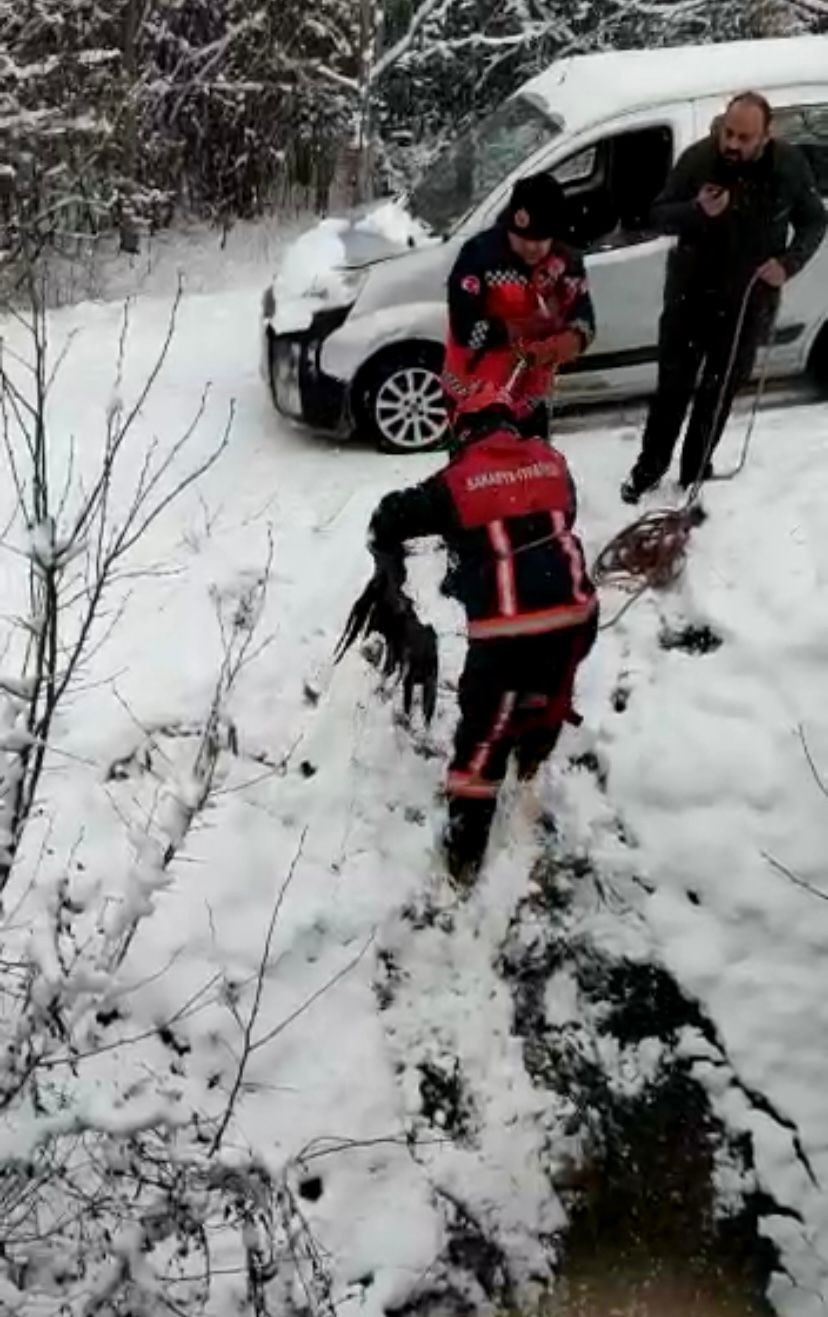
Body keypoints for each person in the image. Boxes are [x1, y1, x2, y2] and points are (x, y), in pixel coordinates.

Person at [352, 387, 598, 888]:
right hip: (577, 616)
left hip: (508, 631)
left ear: (460, 431)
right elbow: (559, 518)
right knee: (550, 689)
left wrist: (395, 569)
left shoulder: (457, 481)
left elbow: (388, 517)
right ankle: (531, 751)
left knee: (483, 733)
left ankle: (465, 852)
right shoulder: (552, 461)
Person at [621, 91, 827, 504]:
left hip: (747, 303)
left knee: (718, 394)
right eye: (728, 133)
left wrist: (788, 264)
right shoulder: (699, 160)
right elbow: (658, 214)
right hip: (690, 296)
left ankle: (694, 473)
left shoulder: (788, 165)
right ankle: (648, 470)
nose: (732, 144)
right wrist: (696, 212)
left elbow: (814, 221)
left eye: (744, 137)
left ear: (766, 136)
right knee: (672, 390)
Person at [442, 173, 596, 440]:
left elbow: (585, 321)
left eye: (541, 239)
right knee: (480, 473)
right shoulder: (479, 255)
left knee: (530, 470)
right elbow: (464, 328)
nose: (532, 247)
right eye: (522, 237)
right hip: (474, 390)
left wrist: (564, 343)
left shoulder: (566, 262)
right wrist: (518, 330)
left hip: (531, 393)